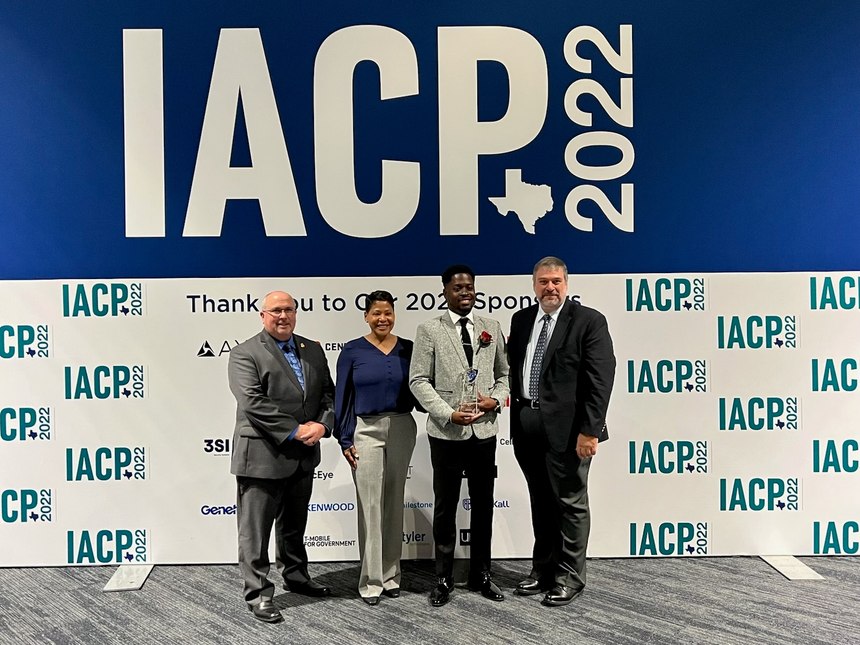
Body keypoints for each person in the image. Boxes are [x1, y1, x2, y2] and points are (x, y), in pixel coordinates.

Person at [507, 256, 616, 607]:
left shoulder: (588, 321)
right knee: (541, 501)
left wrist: (591, 430)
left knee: (569, 503)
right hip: (527, 424)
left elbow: (600, 380)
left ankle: (570, 576)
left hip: (571, 432)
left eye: (556, 281)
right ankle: (544, 569)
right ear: (533, 284)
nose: (549, 287)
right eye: (543, 281)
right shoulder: (521, 320)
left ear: (566, 284)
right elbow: (514, 370)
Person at [227, 290, 335, 623]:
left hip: (303, 456)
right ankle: (258, 594)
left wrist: (322, 424)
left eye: (288, 309)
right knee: (255, 532)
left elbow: (328, 394)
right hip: (262, 455)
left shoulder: (313, 349)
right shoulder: (244, 353)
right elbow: (253, 402)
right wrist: (296, 430)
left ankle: (296, 576)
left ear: (296, 313)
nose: (282, 315)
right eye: (275, 310)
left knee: (294, 526)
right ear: (262, 316)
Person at [409, 264, 510, 607]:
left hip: (484, 431)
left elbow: (504, 374)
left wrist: (495, 399)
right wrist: (448, 413)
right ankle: (443, 577)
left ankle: (482, 574)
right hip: (446, 432)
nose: (465, 293)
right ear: (445, 292)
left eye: (470, 287)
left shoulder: (491, 327)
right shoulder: (429, 330)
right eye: (458, 288)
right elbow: (419, 380)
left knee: (483, 506)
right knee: (445, 507)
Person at [334, 290, 418, 606]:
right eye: (376, 313)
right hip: (365, 430)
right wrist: (345, 438)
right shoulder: (352, 351)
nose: (383, 318)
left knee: (394, 501)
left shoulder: (408, 349)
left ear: (394, 314)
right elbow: (342, 397)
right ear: (366, 316)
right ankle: (371, 581)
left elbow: (421, 388)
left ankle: (391, 575)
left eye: (388, 312)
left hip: (401, 426)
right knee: (370, 504)